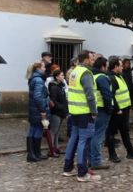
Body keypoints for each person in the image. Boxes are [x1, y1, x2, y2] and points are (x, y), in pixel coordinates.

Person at [63, 51, 100, 182]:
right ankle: (82, 173)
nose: (93, 60)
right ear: (85, 59)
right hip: (85, 112)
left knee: (74, 139)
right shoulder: (86, 73)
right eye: (91, 58)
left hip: (74, 111)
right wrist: (94, 111)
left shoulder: (74, 72)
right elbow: (90, 94)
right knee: (84, 141)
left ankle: (68, 168)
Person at [106, 58, 133, 162]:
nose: (122, 67)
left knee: (125, 131)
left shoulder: (119, 76)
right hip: (118, 111)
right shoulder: (112, 78)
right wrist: (117, 108)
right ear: (115, 66)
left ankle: (130, 152)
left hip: (124, 109)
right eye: (121, 65)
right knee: (111, 133)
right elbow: (111, 95)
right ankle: (112, 155)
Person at [89, 56, 112, 170]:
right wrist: (109, 109)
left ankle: (90, 160)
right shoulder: (102, 77)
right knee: (97, 136)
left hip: (93, 109)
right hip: (102, 110)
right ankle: (96, 162)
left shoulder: (92, 75)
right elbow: (107, 95)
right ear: (103, 67)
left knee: (92, 135)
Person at [26, 61, 50, 163]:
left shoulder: (33, 78)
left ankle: (34, 153)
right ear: (39, 68)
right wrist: (43, 110)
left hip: (33, 109)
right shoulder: (39, 80)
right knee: (37, 130)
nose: (45, 69)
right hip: (38, 109)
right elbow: (38, 96)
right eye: (44, 67)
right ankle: (34, 153)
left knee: (33, 129)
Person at [48, 69, 68, 157]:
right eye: (61, 75)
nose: (63, 77)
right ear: (57, 77)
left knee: (57, 131)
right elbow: (53, 100)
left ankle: (56, 148)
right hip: (56, 112)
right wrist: (61, 107)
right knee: (53, 131)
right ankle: (51, 150)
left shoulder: (60, 86)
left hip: (61, 111)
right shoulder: (54, 87)